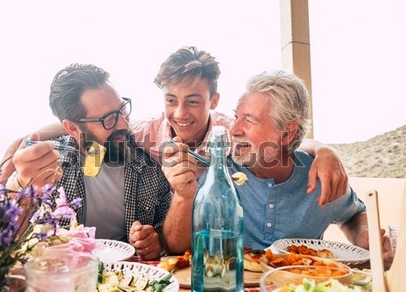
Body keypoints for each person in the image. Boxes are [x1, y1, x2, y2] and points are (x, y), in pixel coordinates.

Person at [0, 46, 348, 208]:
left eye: (193, 101)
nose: (179, 114)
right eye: (170, 100)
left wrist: (323, 150)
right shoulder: (143, 131)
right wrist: (27, 138)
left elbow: (277, 140)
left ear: (213, 100)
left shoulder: (231, 131)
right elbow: (92, 126)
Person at [162, 70, 393, 262]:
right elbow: (177, 246)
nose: (235, 129)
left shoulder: (319, 176)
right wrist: (183, 196)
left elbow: (353, 214)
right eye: (236, 117)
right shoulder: (220, 171)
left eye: (249, 120)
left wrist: (365, 236)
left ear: (286, 131)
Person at [5, 63, 191, 260]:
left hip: (126, 278)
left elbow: (167, 233)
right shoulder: (45, 166)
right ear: (72, 128)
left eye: (122, 110)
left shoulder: (148, 164)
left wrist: (156, 240)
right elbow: (7, 241)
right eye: (108, 119)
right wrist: (21, 188)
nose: (124, 124)